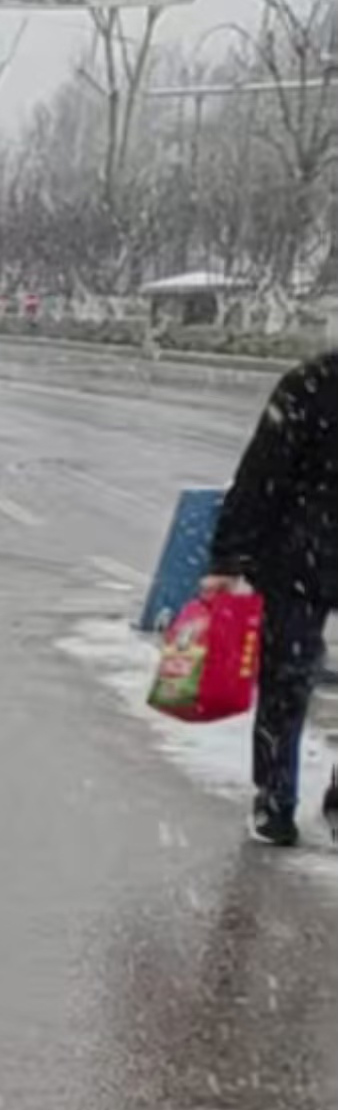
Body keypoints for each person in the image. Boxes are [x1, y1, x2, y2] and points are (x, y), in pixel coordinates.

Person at [205, 348, 338, 852]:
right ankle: (281, 800)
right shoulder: (312, 383)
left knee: (285, 681)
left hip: (294, 558)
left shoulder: (310, 382)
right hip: (296, 560)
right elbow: (262, 474)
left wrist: (227, 559)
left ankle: (276, 801)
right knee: (286, 679)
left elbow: (260, 475)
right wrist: (227, 558)